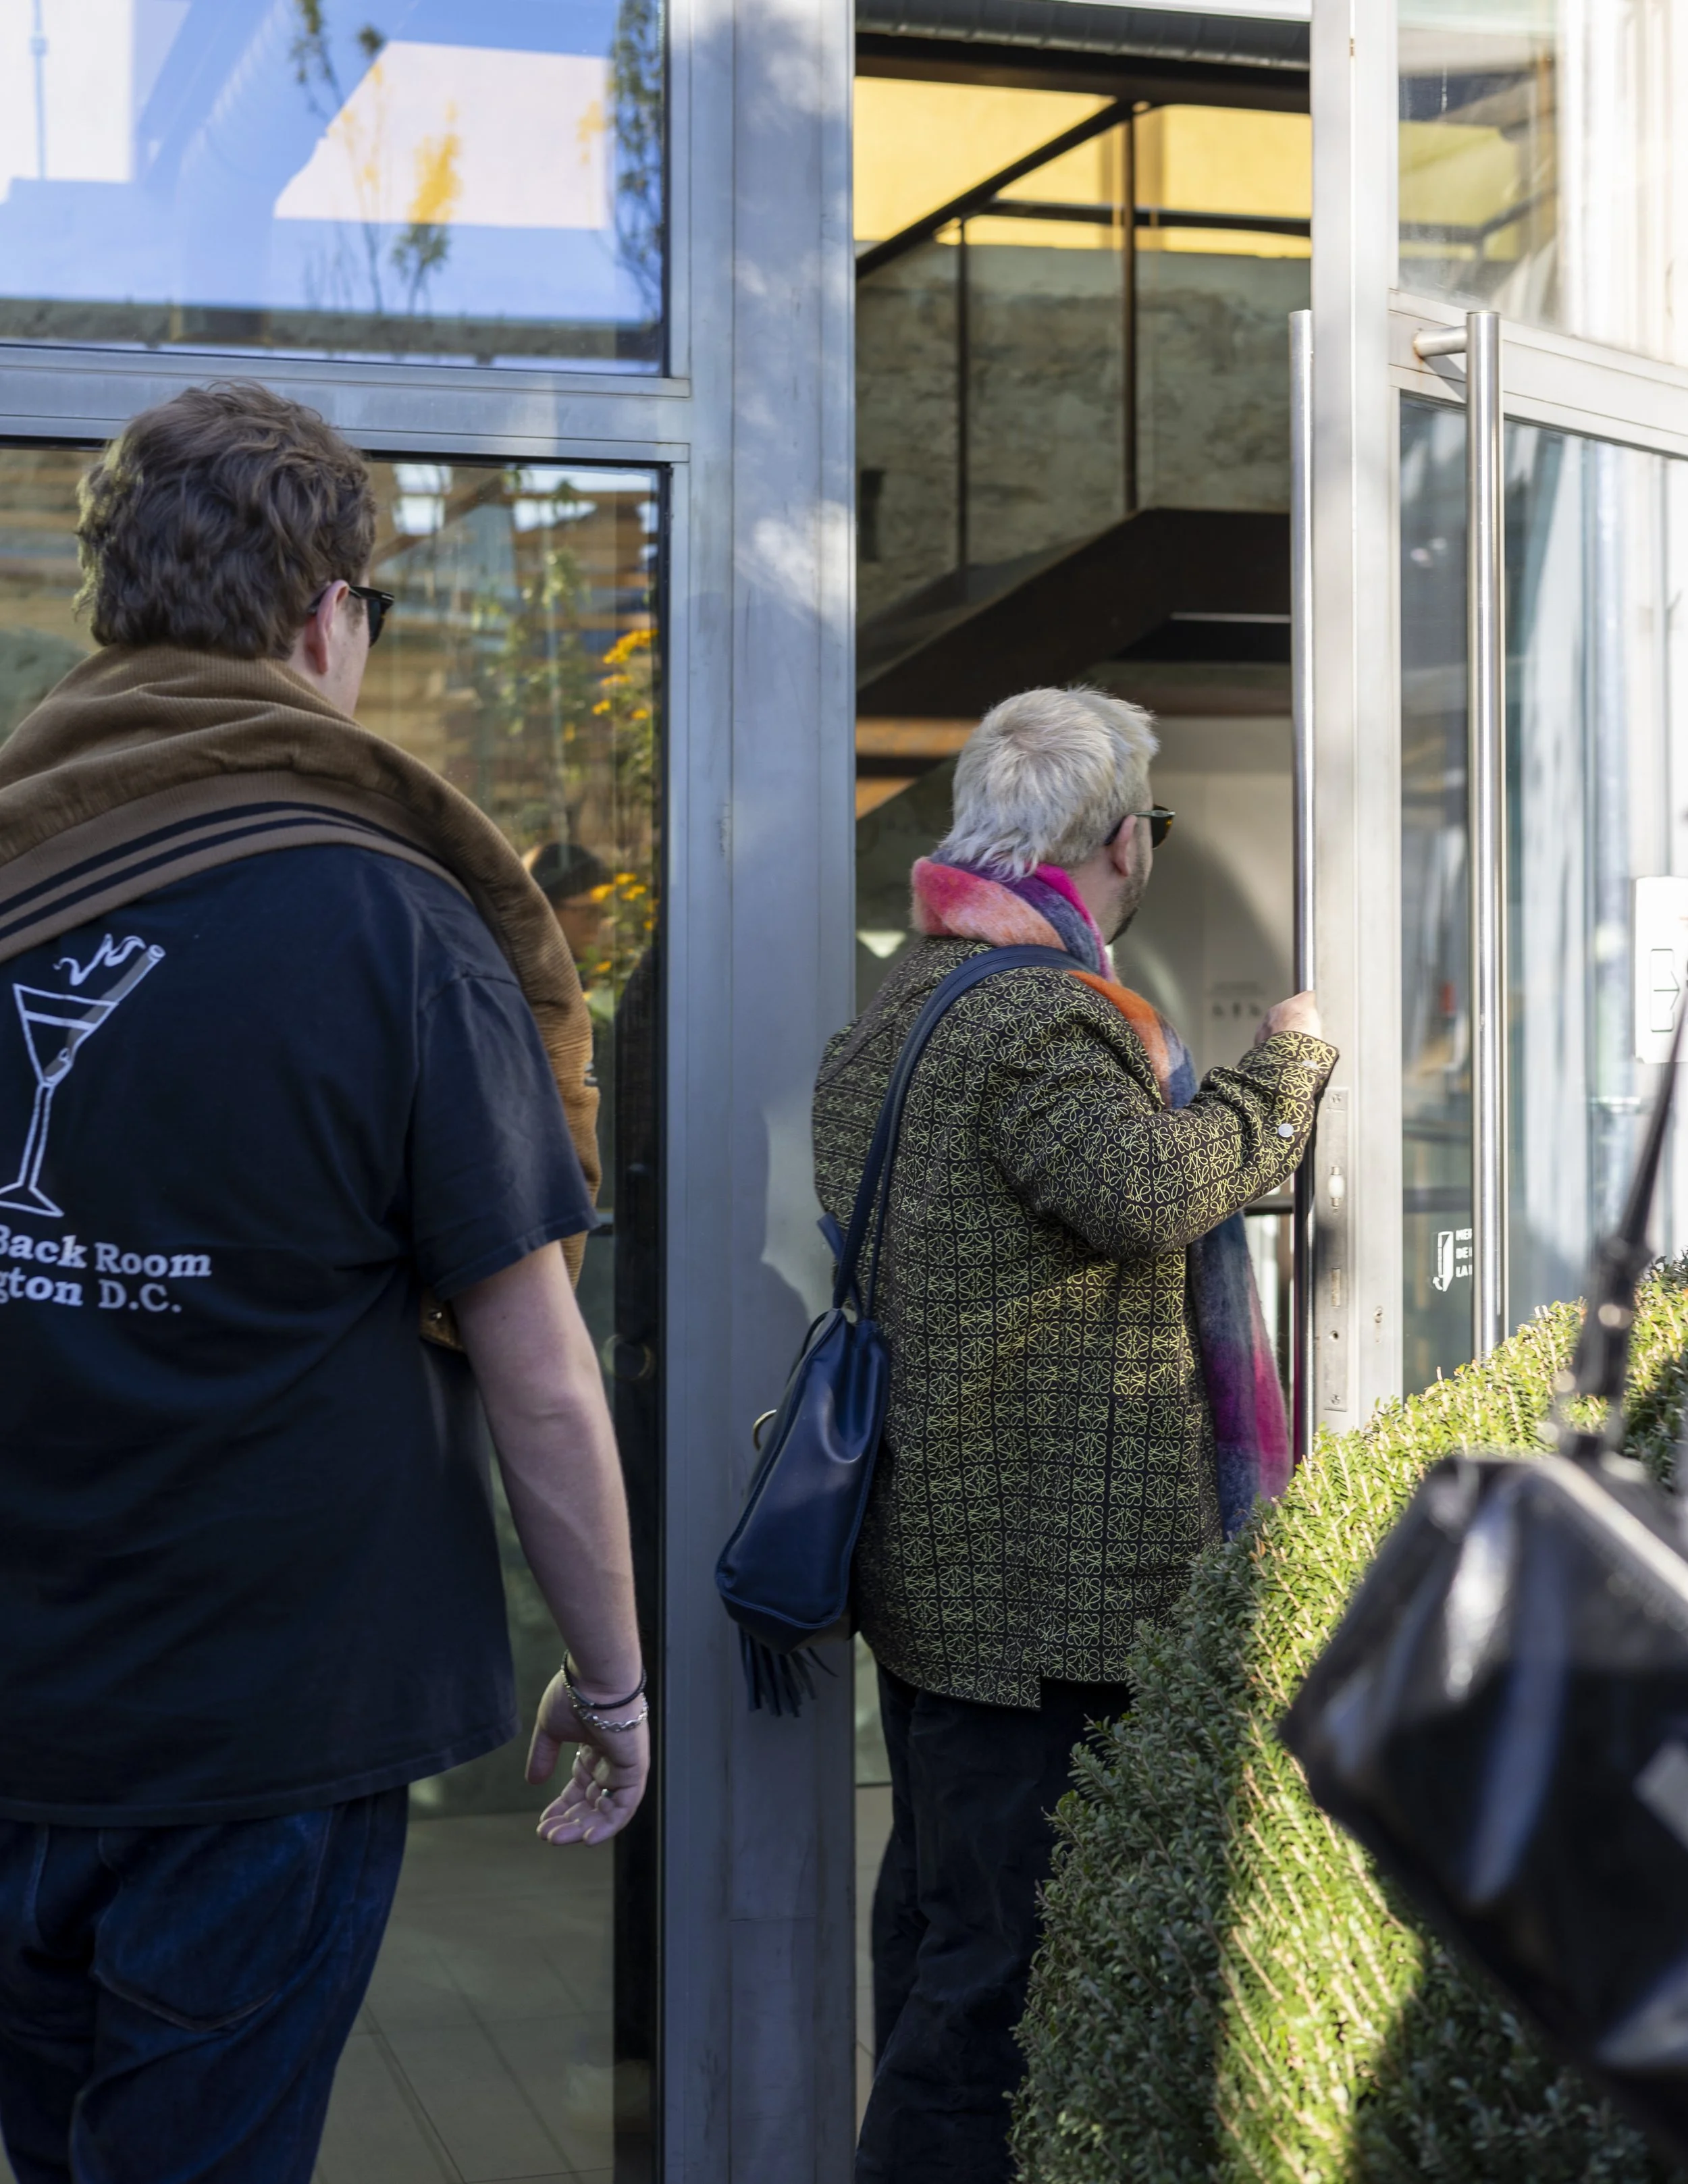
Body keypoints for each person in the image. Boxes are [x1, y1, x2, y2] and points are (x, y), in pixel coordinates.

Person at [0, 383, 649, 2184]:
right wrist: (610, 1680)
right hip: (267, 1726)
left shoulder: (13, 857)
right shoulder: (399, 921)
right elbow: (534, 1365)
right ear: (322, 621)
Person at [812, 686, 1336, 2183]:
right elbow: (1144, 1192)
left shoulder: (903, 998)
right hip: (1035, 1599)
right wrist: (1282, 1069)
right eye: (1150, 827)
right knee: (987, 1987)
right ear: (1119, 842)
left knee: (935, 1938)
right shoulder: (1037, 1012)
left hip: (941, 1578)